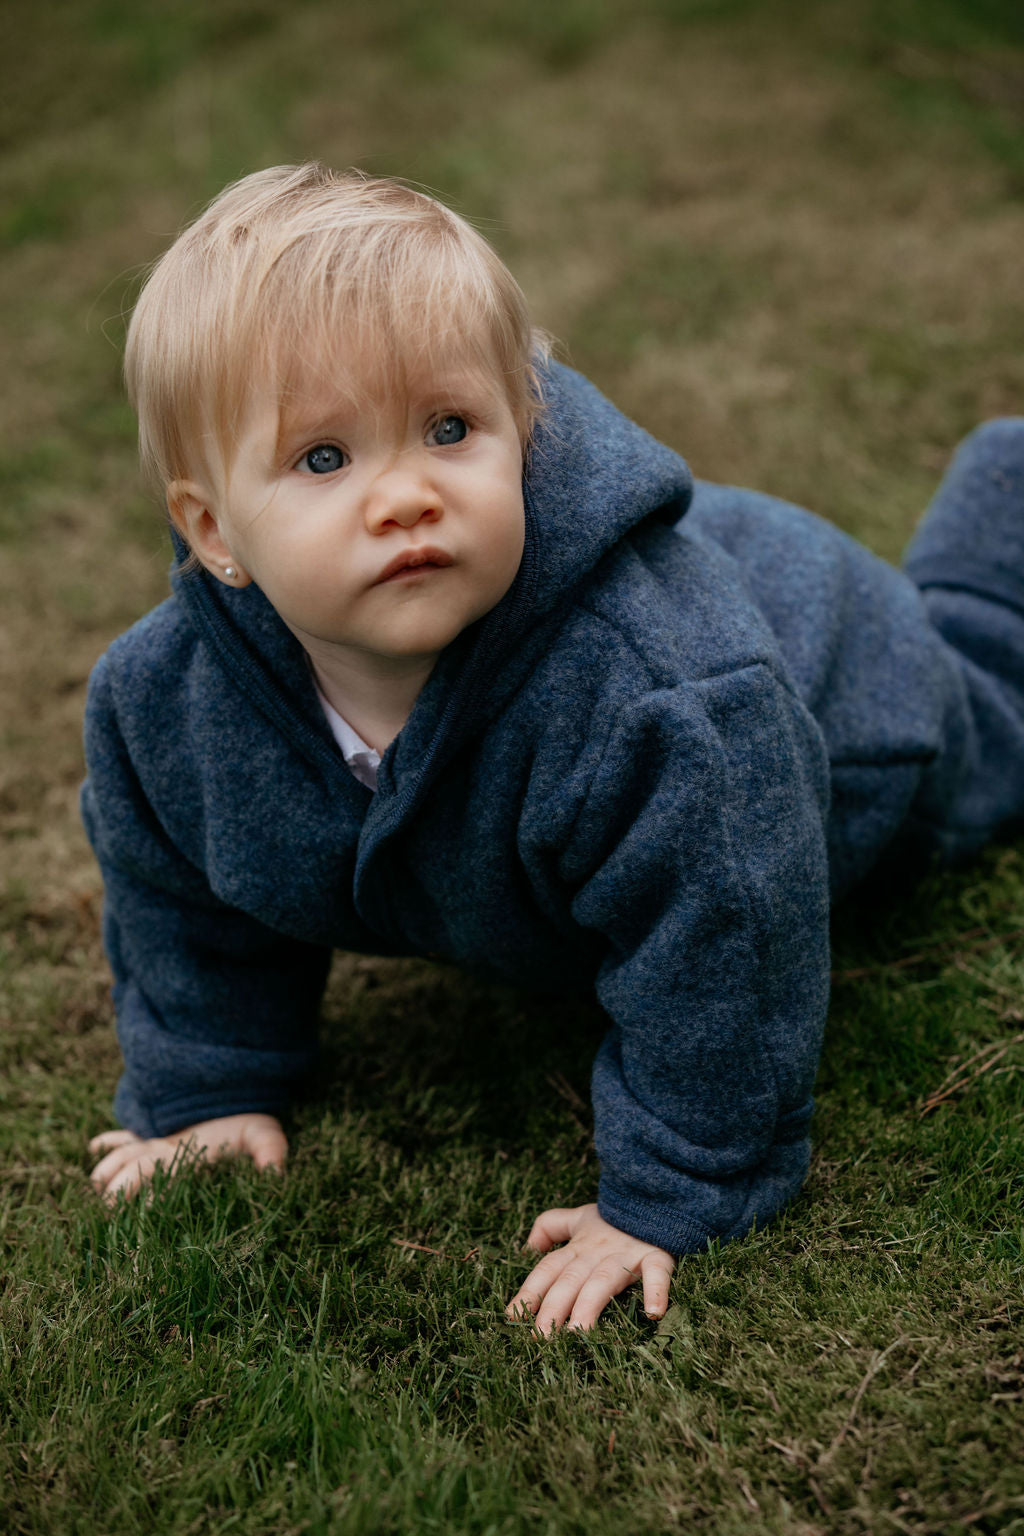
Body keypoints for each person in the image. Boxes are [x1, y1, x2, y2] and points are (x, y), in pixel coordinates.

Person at [82, 162, 1024, 1335]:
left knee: (995, 701)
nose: (405, 495)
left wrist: (676, 1188)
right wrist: (207, 1082)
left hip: (842, 705)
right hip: (714, 648)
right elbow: (181, 897)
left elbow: (728, 924)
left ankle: (1003, 507)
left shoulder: (663, 701)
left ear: (521, 430)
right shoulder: (162, 707)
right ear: (212, 529)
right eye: (324, 458)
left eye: (449, 429)